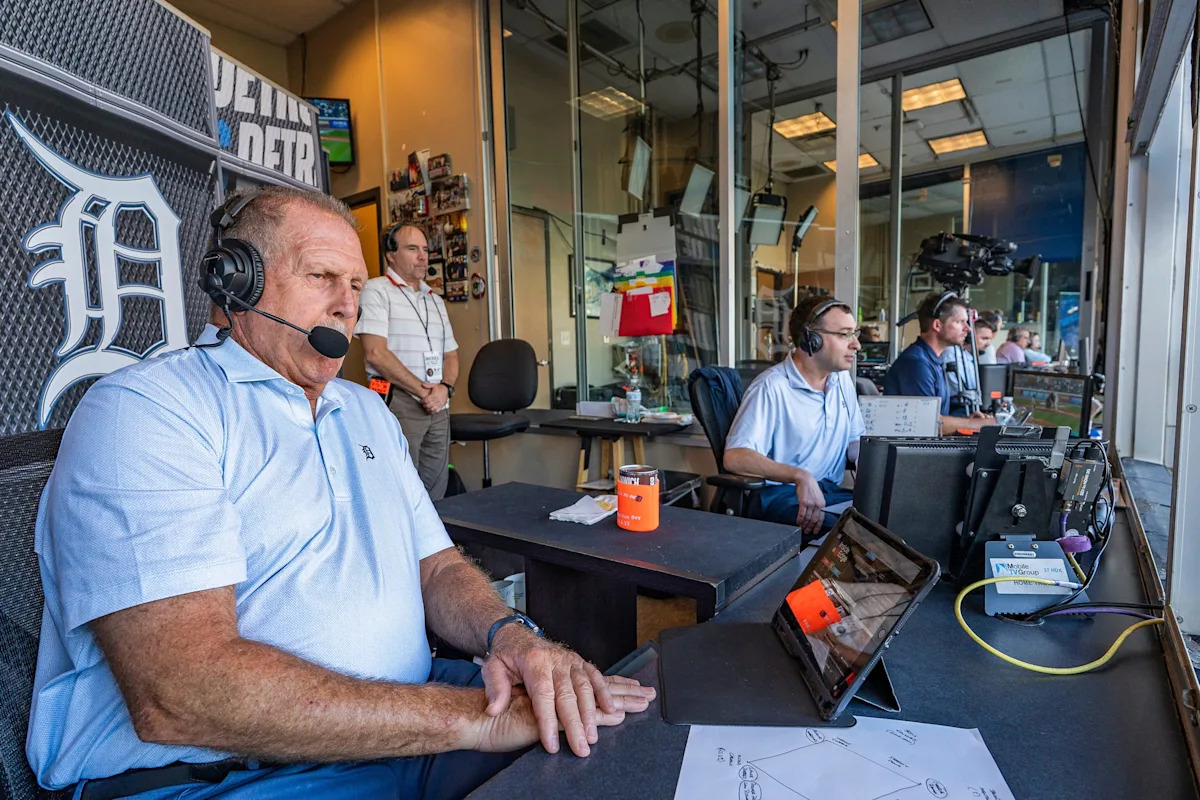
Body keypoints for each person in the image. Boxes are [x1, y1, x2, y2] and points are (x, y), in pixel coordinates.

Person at [28, 187, 654, 799]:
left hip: (410, 718)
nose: (347, 306)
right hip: (234, 772)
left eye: (355, 285)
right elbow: (181, 693)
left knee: (618, 747)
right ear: (235, 282)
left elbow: (436, 568)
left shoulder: (365, 411)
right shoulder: (149, 410)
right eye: (322, 277)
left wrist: (511, 635)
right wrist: (472, 720)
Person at [723, 295, 865, 540]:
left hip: (828, 492)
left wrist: (873, 466)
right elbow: (735, 457)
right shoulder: (771, 387)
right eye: (844, 335)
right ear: (811, 339)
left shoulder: (841, 381)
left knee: (884, 519)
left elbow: (854, 441)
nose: (856, 345)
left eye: (855, 333)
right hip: (780, 495)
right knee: (853, 535)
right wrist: (800, 477)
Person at [356, 223, 458, 499]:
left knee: (436, 488)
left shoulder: (434, 299)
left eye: (425, 249)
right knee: (402, 488)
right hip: (399, 399)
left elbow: (451, 355)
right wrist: (423, 391)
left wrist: (444, 388)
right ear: (391, 255)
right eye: (413, 249)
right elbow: (375, 353)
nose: (423, 256)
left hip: (438, 402)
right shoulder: (375, 290)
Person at [883, 291, 994, 434]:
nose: (967, 328)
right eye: (960, 322)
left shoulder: (932, 359)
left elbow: (935, 417)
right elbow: (928, 424)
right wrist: (978, 424)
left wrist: (965, 420)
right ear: (937, 325)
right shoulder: (917, 364)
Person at [940, 317, 997, 413]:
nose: (988, 344)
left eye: (989, 339)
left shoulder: (967, 356)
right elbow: (960, 389)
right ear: (969, 337)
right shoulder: (952, 354)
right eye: (984, 338)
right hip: (958, 408)